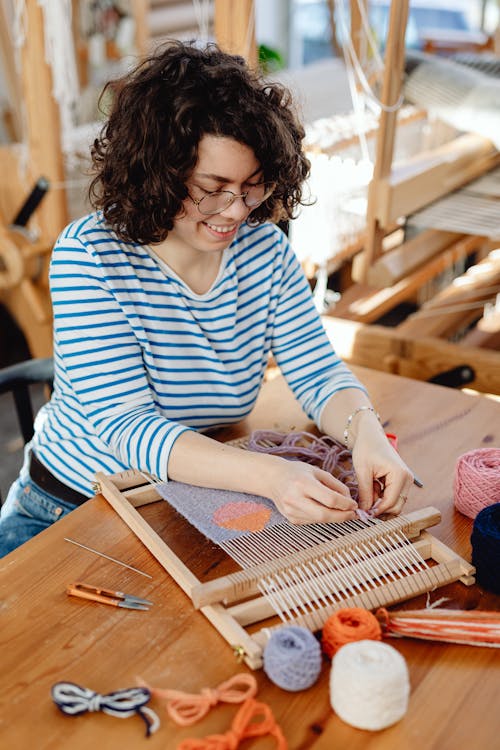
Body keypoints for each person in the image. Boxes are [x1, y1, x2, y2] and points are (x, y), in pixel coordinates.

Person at [0, 40, 414, 558]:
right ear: (158, 170)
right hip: (71, 506)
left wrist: (368, 437)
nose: (236, 211)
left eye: (252, 187)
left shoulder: (263, 251)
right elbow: (128, 427)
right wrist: (271, 476)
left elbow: (317, 372)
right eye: (212, 187)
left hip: (183, 499)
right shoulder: (90, 257)